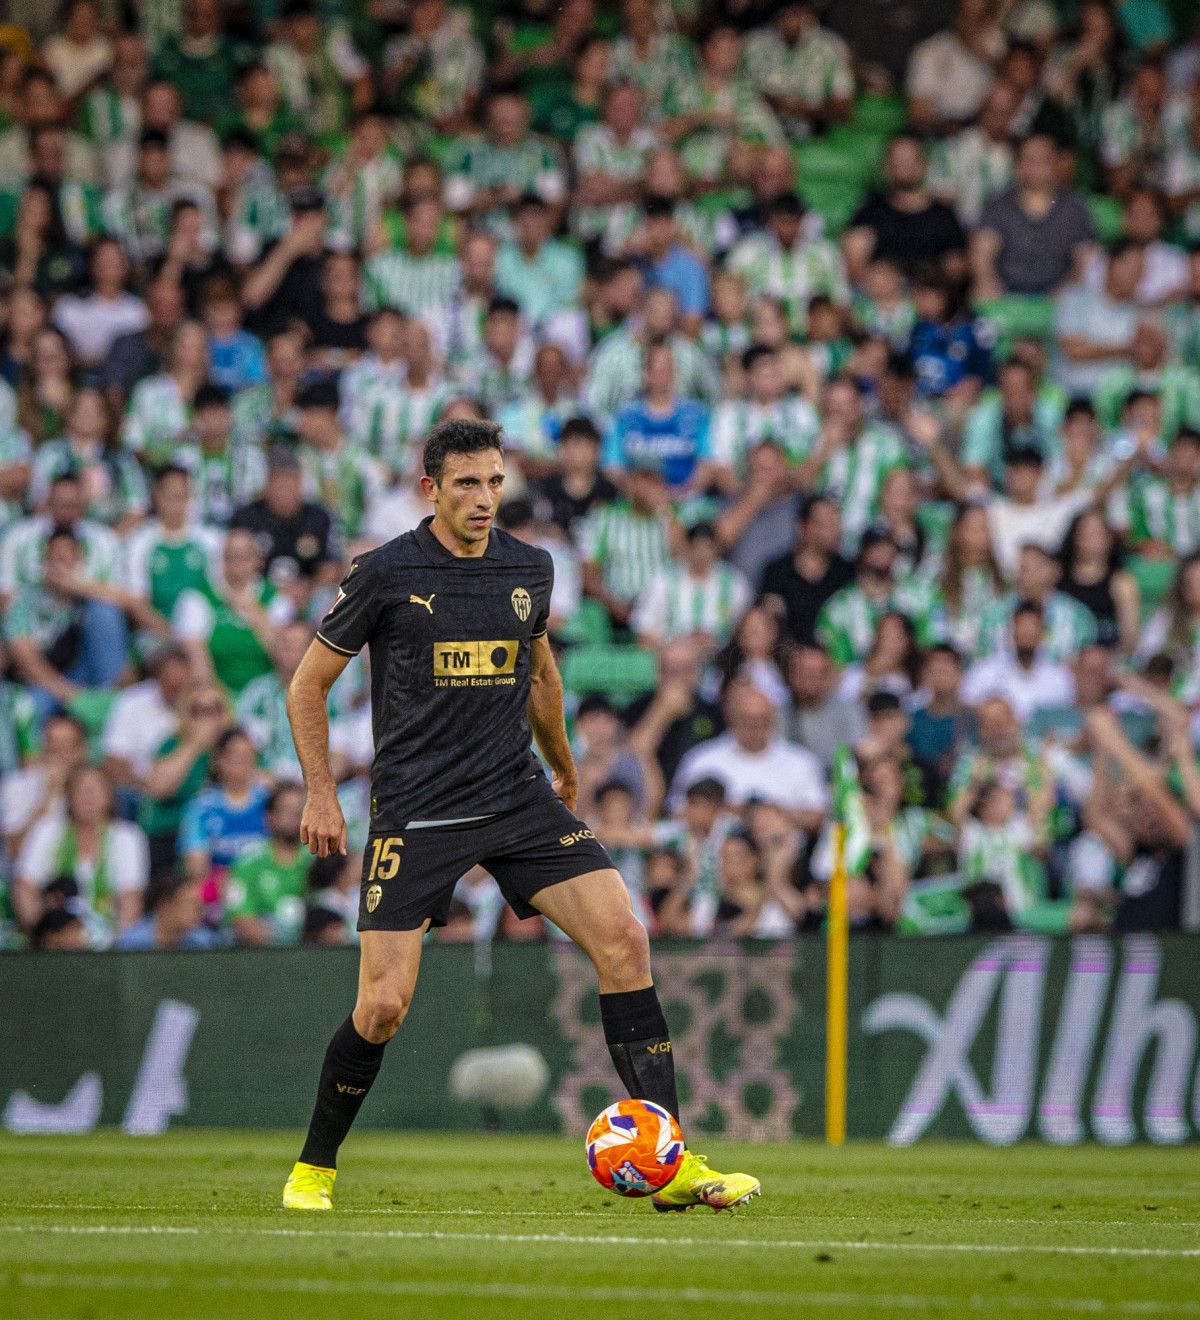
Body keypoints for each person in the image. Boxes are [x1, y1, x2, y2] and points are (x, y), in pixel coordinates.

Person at [280, 418, 759, 1211]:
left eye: (496, 481)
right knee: (383, 1005)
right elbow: (306, 687)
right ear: (431, 488)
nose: (485, 498)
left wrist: (564, 761)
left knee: (626, 941)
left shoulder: (530, 569)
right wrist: (321, 791)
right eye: (467, 483)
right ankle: (313, 1168)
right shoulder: (384, 572)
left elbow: (540, 676)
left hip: (515, 793)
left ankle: (669, 1166)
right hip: (419, 810)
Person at [224, 782, 312, 945]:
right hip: (263, 956)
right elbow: (240, 918)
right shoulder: (248, 862)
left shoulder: (319, 859)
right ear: (269, 817)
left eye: (300, 809)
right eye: (286, 809)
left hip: (315, 953)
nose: (295, 815)